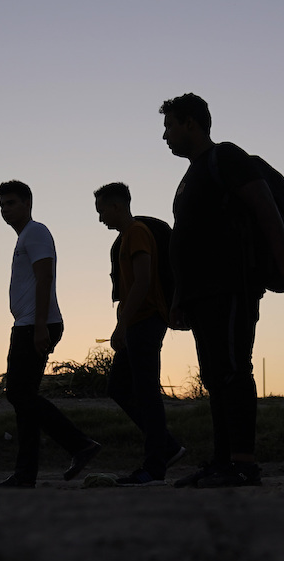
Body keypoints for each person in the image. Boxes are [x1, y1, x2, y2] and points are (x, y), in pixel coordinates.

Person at [159, 93, 284, 488]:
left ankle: (242, 461)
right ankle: (222, 460)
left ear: (191, 123)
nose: (166, 136)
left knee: (234, 370)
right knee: (214, 374)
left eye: (170, 126)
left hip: (231, 285)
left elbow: (264, 206)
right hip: (201, 292)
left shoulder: (226, 156)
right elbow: (187, 242)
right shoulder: (192, 175)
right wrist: (179, 297)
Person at [0, 180, 101, 488]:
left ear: (27, 204)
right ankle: (26, 472)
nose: (5, 209)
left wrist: (40, 325)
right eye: (2, 205)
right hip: (28, 323)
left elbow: (45, 277)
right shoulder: (25, 236)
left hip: (36, 325)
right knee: (24, 397)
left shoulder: (36, 232)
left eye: (11, 203)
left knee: (18, 393)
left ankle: (80, 445)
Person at [93, 182, 186, 486]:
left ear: (116, 206)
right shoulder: (123, 239)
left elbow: (143, 281)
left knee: (146, 393)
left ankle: (154, 466)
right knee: (120, 387)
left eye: (102, 210)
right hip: (135, 322)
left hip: (146, 320)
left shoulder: (136, 233)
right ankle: (168, 447)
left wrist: (122, 325)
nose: (100, 218)